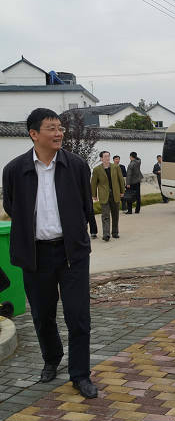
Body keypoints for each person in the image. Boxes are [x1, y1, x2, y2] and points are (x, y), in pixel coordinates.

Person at [2, 108, 98, 398]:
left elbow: (84, 205)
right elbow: (11, 207)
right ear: (34, 134)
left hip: (72, 254)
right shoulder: (15, 170)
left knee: (78, 316)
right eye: (51, 128)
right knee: (43, 316)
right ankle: (51, 358)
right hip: (35, 255)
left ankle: (80, 374)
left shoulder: (77, 165)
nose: (58, 133)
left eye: (60, 128)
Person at [91, 151, 125, 241]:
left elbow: (120, 179)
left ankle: (115, 232)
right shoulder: (97, 169)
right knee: (105, 215)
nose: (107, 158)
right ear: (101, 158)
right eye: (105, 156)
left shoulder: (116, 167)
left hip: (115, 194)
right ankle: (106, 234)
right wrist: (94, 195)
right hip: (104, 195)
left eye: (108, 156)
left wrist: (122, 191)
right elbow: (93, 183)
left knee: (115, 214)